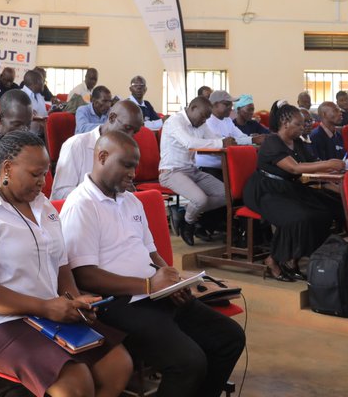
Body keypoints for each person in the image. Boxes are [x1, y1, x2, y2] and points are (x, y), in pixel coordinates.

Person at [62, 130, 246, 397]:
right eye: (127, 165)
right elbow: (85, 276)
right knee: (188, 362)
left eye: (135, 166)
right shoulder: (82, 205)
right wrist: (148, 284)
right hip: (116, 303)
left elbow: (151, 252)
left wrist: (170, 279)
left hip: (154, 292)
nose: (133, 173)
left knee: (229, 338)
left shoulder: (130, 201)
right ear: (102, 157)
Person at [0, 130, 132, 397]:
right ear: (8, 168)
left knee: (118, 366)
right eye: (35, 174)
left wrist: (74, 300)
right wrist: (46, 307)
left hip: (46, 312)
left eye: (45, 173)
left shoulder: (45, 208)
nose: (43, 182)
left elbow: (61, 265)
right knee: (76, 383)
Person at [243, 103, 345, 281]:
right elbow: (294, 168)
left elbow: (313, 166)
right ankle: (274, 259)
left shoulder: (298, 142)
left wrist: (336, 178)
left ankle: (294, 258)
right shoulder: (272, 141)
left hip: (289, 187)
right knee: (298, 217)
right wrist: (329, 164)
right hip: (266, 190)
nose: (304, 127)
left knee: (325, 210)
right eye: (299, 124)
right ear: (285, 122)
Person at [158, 97, 225, 246]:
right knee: (200, 200)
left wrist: (241, 141)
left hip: (192, 170)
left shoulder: (201, 123)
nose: (204, 121)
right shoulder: (174, 121)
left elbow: (215, 140)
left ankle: (185, 211)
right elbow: (190, 143)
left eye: (207, 118)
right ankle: (188, 223)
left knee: (226, 195)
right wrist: (220, 143)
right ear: (193, 108)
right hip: (171, 172)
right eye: (203, 116)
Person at [52, 100, 143, 200]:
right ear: (112, 118)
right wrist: (104, 192)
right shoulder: (77, 144)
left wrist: (124, 191)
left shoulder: (126, 151)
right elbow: (59, 194)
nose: (130, 136)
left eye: (135, 132)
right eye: (127, 128)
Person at [197, 90, 261, 178]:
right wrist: (252, 139)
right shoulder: (207, 121)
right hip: (208, 167)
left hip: (225, 164)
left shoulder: (227, 120)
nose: (230, 108)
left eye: (231, 105)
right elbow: (223, 142)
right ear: (215, 105)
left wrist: (251, 139)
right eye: (226, 104)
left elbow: (240, 136)